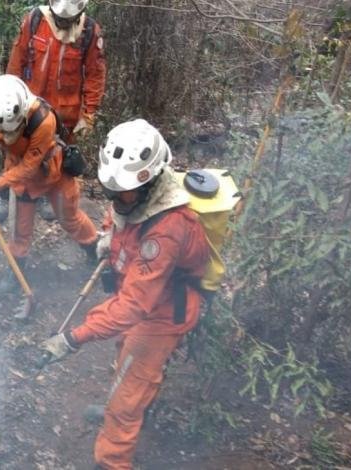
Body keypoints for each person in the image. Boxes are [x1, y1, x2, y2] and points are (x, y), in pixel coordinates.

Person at [39, 119, 211, 469]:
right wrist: (107, 237)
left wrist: (73, 338)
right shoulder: (134, 198)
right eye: (112, 191)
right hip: (147, 300)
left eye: (125, 193)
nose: (117, 199)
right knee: (127, 362)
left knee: (125, 403)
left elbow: (133, 305)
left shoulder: (168, 229)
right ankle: (130, 398)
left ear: (149, 182)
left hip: (161, 315)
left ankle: (113, 457)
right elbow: (118, 217)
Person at [0, 74, 99, 292]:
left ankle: (93, 249)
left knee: (70, 218)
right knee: (20, 227)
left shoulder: (43, 120)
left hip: (52, 171)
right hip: (19, 174)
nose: (6, 134)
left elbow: (30, 166)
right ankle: (17, 271)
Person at [3, 0, 106, 221]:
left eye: (67, 20)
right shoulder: (35, 20)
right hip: (30, 112)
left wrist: (88, 114)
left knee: (59, 165)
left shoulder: (89, 32)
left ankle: (60, 206)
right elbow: (16, 62)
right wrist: (9, 96)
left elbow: (95, 76)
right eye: (60, 19)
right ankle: (17, 201)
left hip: (65, 118)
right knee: (21, 158)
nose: (63, 23)